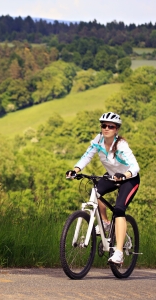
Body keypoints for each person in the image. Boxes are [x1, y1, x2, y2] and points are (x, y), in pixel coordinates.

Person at [65, 112, 140, 265]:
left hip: (129, 179)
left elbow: (135, 167)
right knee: (95, 192)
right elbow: (87, 155)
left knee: (119, 209)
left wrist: (124, 175)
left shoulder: (121, 145)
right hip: (111, 176)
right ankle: (105, 222)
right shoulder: (98, 140)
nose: (106, 128)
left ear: (116, 129)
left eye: (110, 126)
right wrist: (76, 170)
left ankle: (118, 253)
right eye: (103, 125)